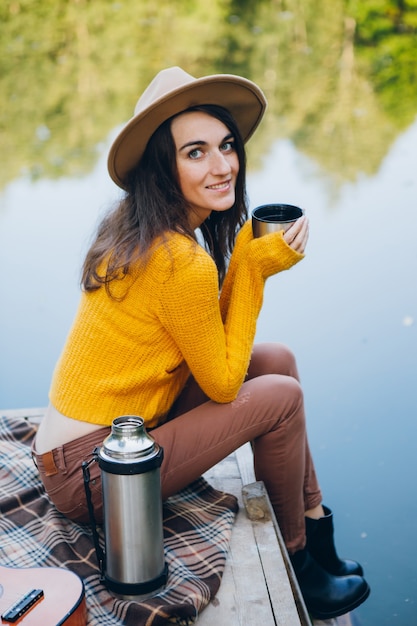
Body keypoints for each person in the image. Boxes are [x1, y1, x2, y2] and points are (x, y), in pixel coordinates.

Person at [33, 66, 370, 620]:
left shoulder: (145, 228)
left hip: (112, 438)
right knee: (280, 396)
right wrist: (252, 268)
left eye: (227, 146)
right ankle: (297, 563)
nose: (222, 166)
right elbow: (221, 380)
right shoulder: (177, 258)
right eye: (195, 152)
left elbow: (210, 344)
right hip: (93, 475)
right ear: (162, 167)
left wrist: (242, 264)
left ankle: (315, 529)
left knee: (277, 360)